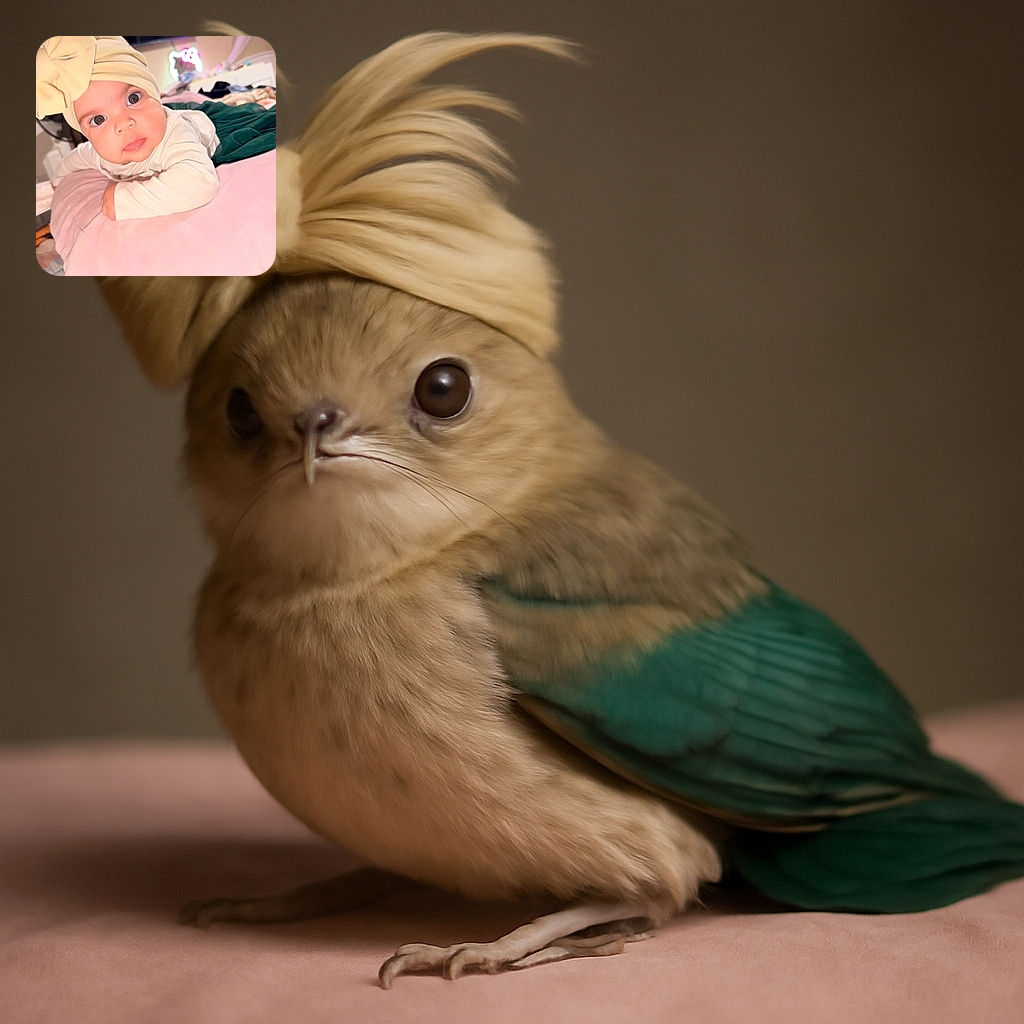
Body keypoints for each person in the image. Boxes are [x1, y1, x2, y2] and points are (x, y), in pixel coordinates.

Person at [36, 36, 220, 220]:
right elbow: (74, 160)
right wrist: (56, 182)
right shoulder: (98, 154)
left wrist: (123, 200)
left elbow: (200, 184)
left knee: (194, 118)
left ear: (154, 93)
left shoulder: (175, 135)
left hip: (195, 125)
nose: (123, 124)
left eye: (133, 99)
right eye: (98, 119)